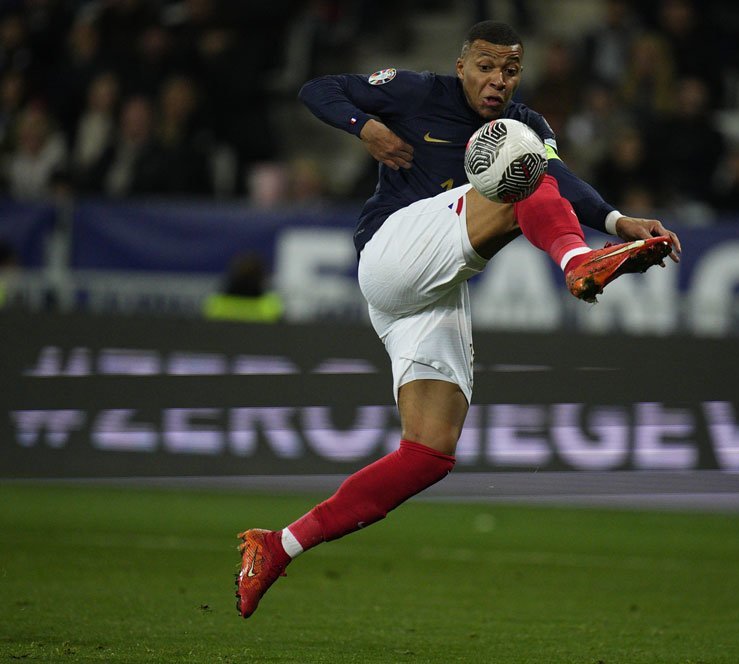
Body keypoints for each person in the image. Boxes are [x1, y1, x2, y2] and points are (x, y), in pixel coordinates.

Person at [234, 20, 682, 619]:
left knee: (429, 452)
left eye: (511, 70)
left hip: (429, 290)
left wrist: (620, 221)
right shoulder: (416, 92)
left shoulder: (526, 124)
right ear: (462, 64)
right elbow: (320, 87)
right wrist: (366, 127)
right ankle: (577, 265)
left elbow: (561, 180)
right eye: (487, 67)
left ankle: (277, 547)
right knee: (518, 164)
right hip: (390, 252)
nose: (498, 80)